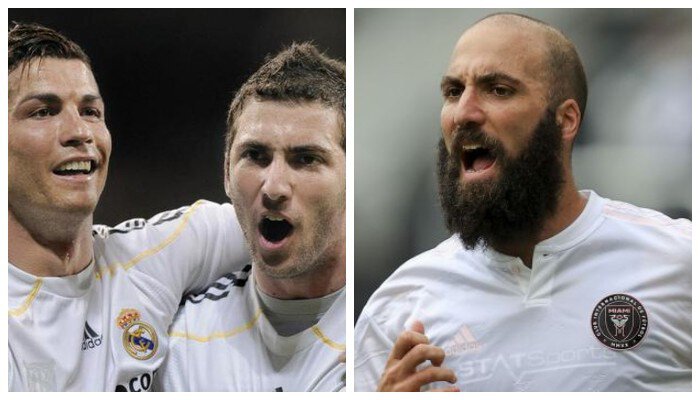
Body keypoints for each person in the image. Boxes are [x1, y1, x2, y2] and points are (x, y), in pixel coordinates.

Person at [354, 13, 691, 392]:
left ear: (565, 120)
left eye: (498, 90)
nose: (464, 113)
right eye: (453, 92)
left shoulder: (677, 261)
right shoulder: (400, 308)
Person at [8, 22, 249, 391]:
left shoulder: (150, 258)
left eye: (90, 111)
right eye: (43, 111)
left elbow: (309, 221)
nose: (80, 132)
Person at [156, 43, 346, 392]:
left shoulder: (388, 325)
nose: (274, 187)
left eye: (305, 159)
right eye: (255, 155)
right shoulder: (179, 345)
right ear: (226, 173)